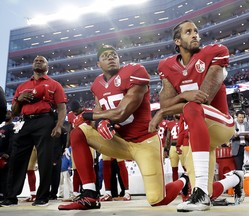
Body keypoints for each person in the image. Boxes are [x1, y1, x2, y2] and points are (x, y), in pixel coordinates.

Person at [58, 45, 189, 210]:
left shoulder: (135, 71)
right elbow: (100, 111)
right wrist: (100, 122)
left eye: (113, 54)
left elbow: (121, 113)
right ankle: (89, 195)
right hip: (119, 141)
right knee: (79, 132)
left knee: (157, 200)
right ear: (98, 63)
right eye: (105, 56)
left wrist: (88, 115)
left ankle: (185, 180)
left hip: (144, 143)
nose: (111, 57)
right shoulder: (97, 84)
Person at [149, 20, 237, 211]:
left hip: (220, 124)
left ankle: (202, 195)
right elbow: (165, 102)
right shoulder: (167, 66)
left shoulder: (214, 53)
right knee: (203, 188)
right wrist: (182, 95)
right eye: (188, 32)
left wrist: (165, 111)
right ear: (178, 41)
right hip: (196, 135)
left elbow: (203, 99)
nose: (195, 34)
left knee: (192, 108)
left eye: (196, 31)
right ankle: (235, 179)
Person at [0, 56, 67, 207]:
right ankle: (11, 196)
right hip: (25, 121)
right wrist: (19, 99)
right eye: (36, 60)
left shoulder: (54, 84)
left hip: (45, 120)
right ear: (32, 65)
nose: (38, 61)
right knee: (16, 157)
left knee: (45, 159)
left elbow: (62, 108)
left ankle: (42, 196)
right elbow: (15, 112)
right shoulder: (22, 86)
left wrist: (58, 126)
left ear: (47, 66)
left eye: (41, 60)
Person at [0, 111, 15, 201]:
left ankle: (7, 195)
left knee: (7, 177)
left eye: (8, 113)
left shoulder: (13, 128)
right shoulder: (1, 128)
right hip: (1, 155)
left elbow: (13, 142)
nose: (6, 115)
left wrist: (8, 154)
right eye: (5, 113)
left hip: (8, 156)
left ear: (12, 116)